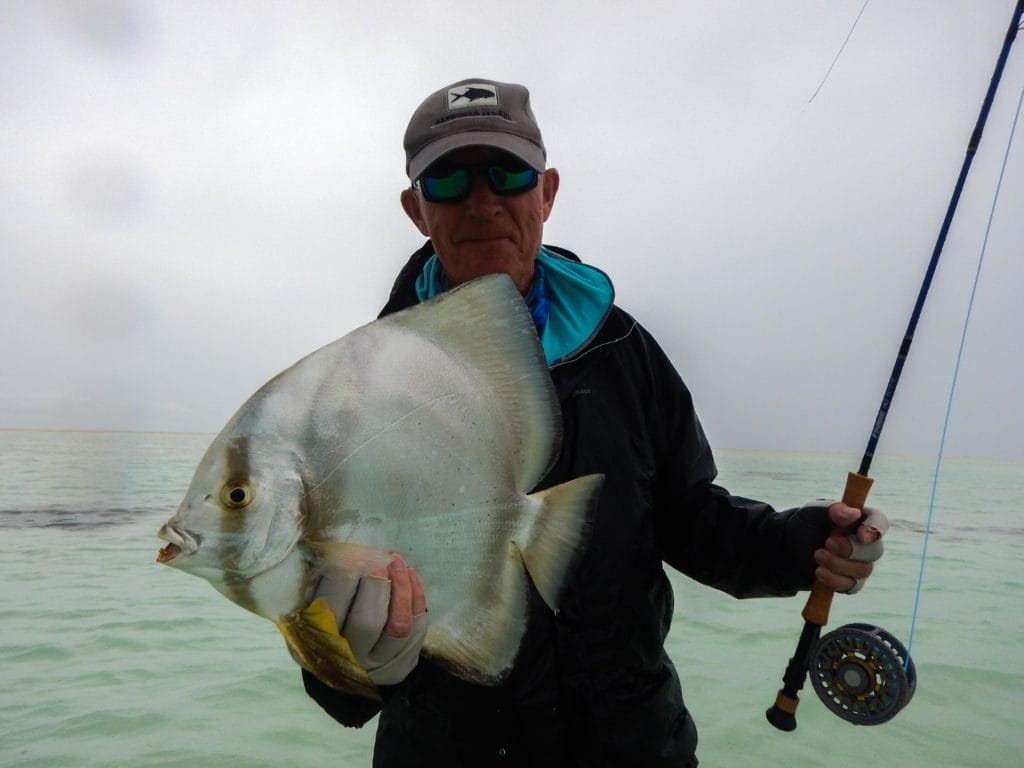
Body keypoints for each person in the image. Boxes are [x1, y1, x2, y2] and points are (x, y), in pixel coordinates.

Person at [300, 78, 887, 767]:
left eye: (508, 174)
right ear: (415, 209)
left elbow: (690, 516)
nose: (483, 202)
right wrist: (349, 669)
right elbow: (320, 585)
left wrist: (798, 544)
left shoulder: (622, 351)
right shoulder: (362, 387)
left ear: (546, 193)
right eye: (450, 180)